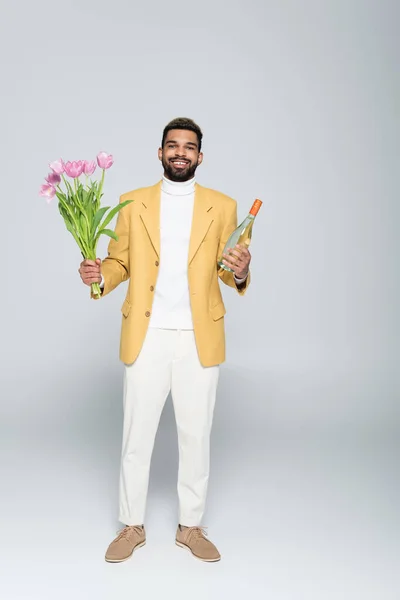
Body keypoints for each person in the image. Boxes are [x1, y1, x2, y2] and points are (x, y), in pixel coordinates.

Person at [79, 117, 252, 563]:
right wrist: (100, 276)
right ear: (159, 153)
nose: (180, 152)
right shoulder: (132, 202)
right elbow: (120, 263)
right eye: (172, 145)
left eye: (189, 147)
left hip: (200, 335)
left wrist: (241, 268)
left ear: (200, 156)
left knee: (197, 435)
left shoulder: (223, 205)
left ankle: (191, 526)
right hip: (147, 333)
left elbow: (226, 271)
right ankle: (131, 524)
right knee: (137, 434)